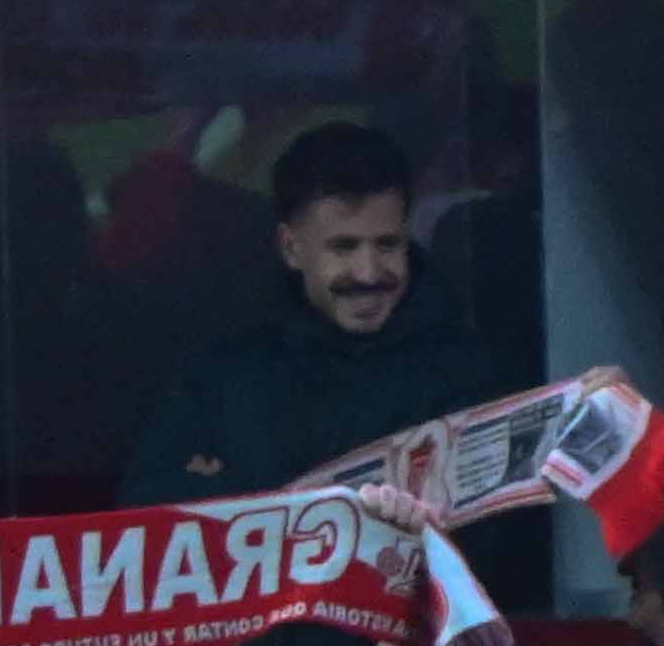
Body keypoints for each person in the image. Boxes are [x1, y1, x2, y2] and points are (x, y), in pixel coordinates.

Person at [135, 121, 477, 498]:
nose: (368, 273)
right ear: (291, 248)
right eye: (343, 247)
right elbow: (150, 517)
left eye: (387, 245)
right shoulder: (217, 380)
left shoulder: (463, 374)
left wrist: (234, 489)